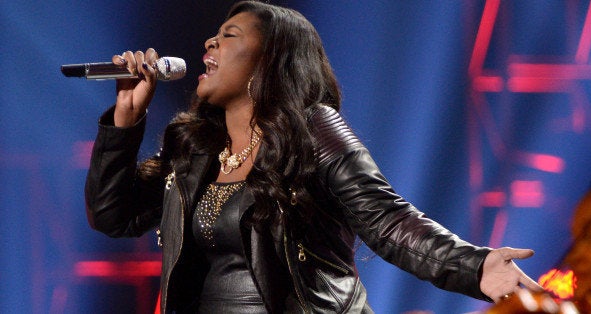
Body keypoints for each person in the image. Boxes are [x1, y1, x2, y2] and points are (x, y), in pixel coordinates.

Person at [84, 1, 543, 313]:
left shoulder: (313, 131)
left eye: (228, 35)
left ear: (270, 59)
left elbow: (388, 222)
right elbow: (113, 216)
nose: (209, 43)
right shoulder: (195, 148)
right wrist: (125, 118)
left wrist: (475, 266)